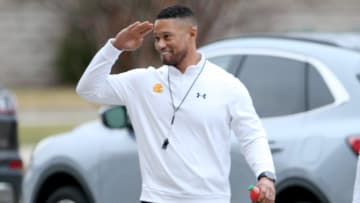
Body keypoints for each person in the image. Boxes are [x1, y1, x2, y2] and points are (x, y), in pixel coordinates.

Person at [76, 4, 276, 203]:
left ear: (192, 33)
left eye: (167, 36)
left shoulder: (227, 85)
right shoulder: (142, 82)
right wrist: (115, 47)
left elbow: (252, 136)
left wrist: (265, 176)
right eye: (157, 38)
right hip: (156, 199)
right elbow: (88, 89)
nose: (161, 45)